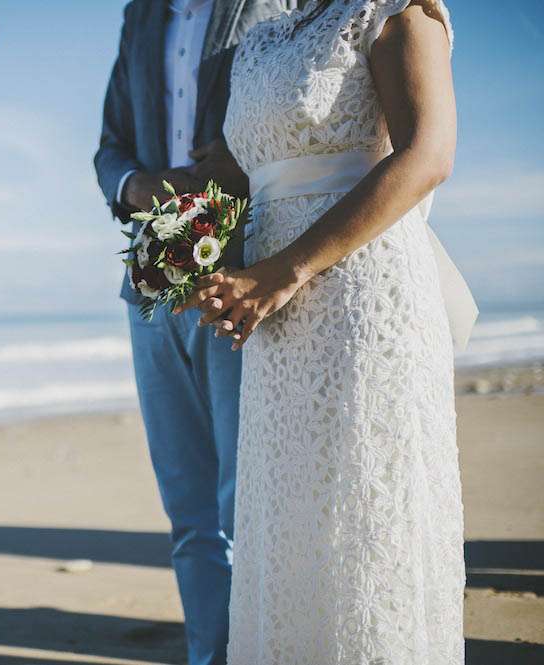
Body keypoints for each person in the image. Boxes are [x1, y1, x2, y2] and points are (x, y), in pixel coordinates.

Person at [179, 0, 465, 662]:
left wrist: (286, 270)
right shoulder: (260, 40)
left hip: (362, 295)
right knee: (289, 518)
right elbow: (246, 173)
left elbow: (429, 155)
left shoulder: (394, 11)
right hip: (274, 314)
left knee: (361, 515)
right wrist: (193, 253)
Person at [93, 2, 296, 663]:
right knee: (189, 510)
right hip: (153, 273)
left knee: (247, 499)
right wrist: (143, 187)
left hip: (249, 269)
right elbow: (109, 148)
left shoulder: (276, 4)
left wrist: (243, 161)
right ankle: (209, 655)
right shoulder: (142, 15)